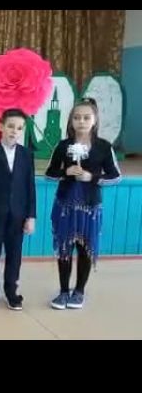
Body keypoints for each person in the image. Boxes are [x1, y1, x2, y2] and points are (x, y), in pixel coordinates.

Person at [46, 96, 121, 308]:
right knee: (64, 248)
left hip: (90, 207)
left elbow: (116, 176)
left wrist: (92, 177)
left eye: (86, 117)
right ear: (71, 121)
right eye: (77, 117)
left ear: (94, 120)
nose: (81, 121)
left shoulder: (104, 147)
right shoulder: (63, 146)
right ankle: (63, 291)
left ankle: (79, 291)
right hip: (66, 206)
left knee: (85, 248)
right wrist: (65, 172)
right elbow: (49, 174)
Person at [0, 108, 36, 309]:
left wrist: (31, 216)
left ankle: (12, 292)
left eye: (19, 128)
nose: (14, 131)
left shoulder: (26, 155)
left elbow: (30, 187)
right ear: (1, 127)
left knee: (14, 255)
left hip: (18, 216)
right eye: (10, 126)